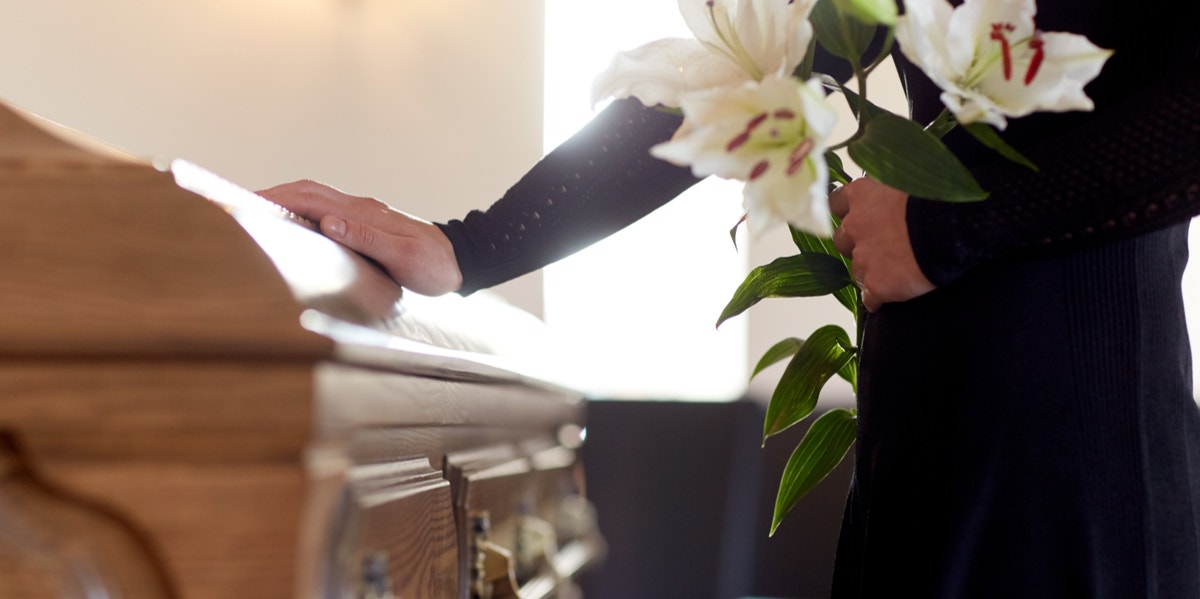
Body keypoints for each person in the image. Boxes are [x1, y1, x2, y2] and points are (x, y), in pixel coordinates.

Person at [260, 0, 1200, 595]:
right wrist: (468, 244)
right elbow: (753, 65)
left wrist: (952, 226)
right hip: (928, 423)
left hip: (1080, 439)